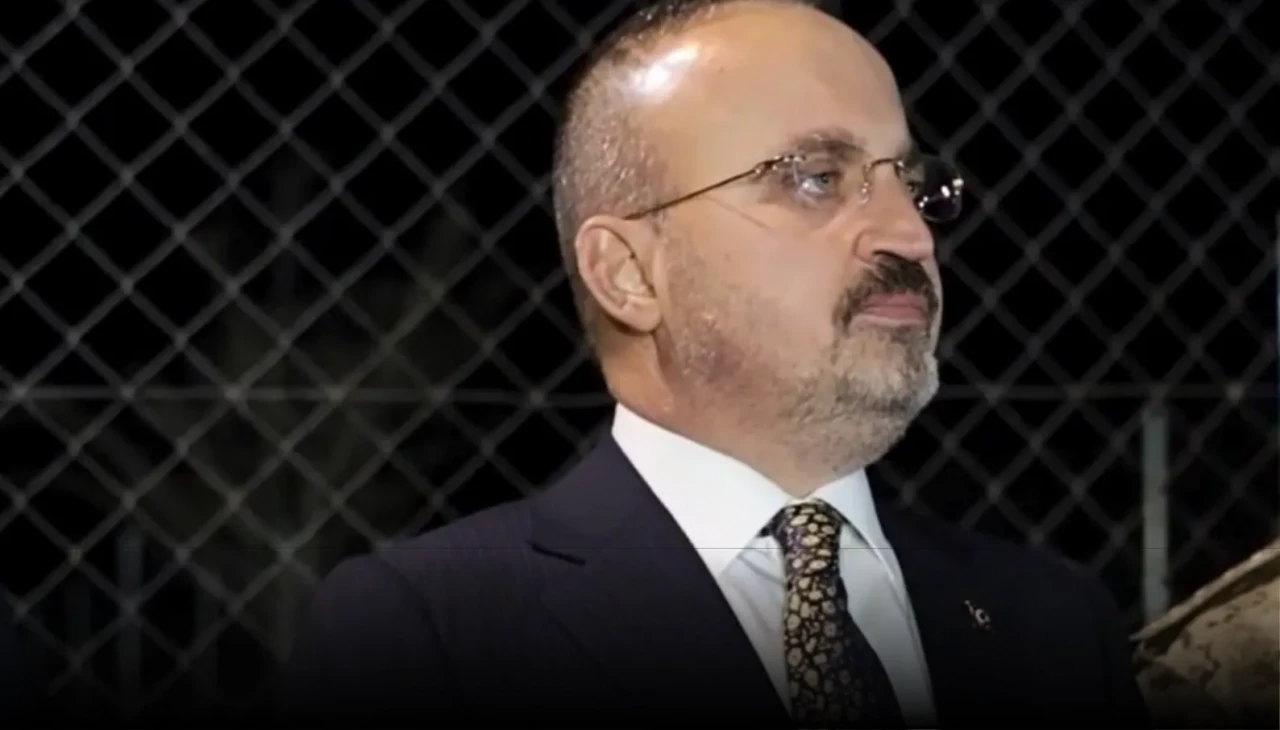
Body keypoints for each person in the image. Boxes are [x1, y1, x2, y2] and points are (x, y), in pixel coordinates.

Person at [278, 0, 1150, 726]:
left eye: (911, 185)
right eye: (814, 177)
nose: (909, 235)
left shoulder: (1057, 627)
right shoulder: (433, 637)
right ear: (629, 273)